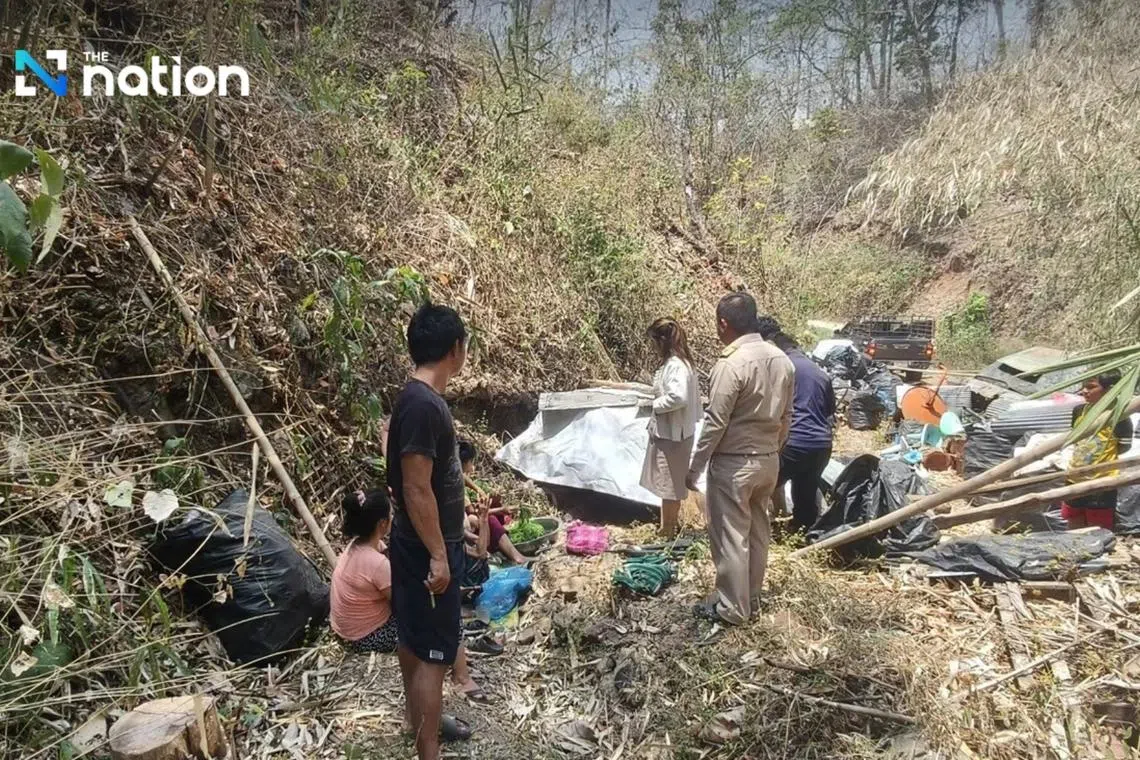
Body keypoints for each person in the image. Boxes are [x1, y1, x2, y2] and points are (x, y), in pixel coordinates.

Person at [386, 302, 472, 759]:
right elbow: (416, 487)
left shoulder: (416, 398)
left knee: (414, 641)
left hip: (415, 541)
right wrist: (439, 554)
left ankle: (417, 722)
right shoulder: (423, 405)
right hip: (427, 548)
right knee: (435, 656)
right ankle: (429, 749)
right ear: (455, 349)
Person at [686, 293, 794, 625]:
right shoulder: (782, 360)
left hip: (735, 464)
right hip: (768, 461)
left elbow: (715, 422)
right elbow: (787, 416)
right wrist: (772, 449)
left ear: (723, 324)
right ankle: (752, 598)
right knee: (758, 532)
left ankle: (732, 609)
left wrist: (694, 468)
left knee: (731, 536)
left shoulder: (731, 364)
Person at [330, 489, 490, 713]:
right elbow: (404, 606)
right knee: (447, 616)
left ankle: (455, 654)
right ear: (382, 524)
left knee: (440, 610)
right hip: (365, 637)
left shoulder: (357, 547)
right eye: (391, 515)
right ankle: (461, 678)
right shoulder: (375, 563)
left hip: (346, 630)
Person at [756, 317, 836, 534]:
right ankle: (804, 534)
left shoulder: (781, 366)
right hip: (821, 445)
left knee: (757, 487)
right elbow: (829, 411)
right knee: (805, 495)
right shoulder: (818, 371)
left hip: (794, 441)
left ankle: (756, 534)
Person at [639, 317, 701, 538]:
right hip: (673, 432)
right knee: (669, 485)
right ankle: (668, 528)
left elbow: (678, 397)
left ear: (661, 341)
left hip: (674, 435)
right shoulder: (679, 364)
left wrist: (653, 405)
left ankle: (668, 531)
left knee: (670, 486)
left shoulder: (676, 365)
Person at [1061, 372, 1133, 530]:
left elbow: (1124, 446)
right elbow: (1076, 439)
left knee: (1098, 526)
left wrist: (1101, 457)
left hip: (1102, 481)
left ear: (1110, 389)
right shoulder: (1079, 411)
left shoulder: (1119, 417)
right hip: (1074, 477)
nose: (1084, 391)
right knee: (1074, 520)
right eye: (1083, 387)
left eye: (1091, 387)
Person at [459, 441, 529, 565]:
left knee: (495, 501)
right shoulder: (456, 486)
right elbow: (472, 511)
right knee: (490, 519)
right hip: (463, 523)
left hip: (465, 517)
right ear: (464, 463)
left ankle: (502, 543)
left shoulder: (456, 473)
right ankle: (516, 557)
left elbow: (463, 476)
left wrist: (477, 489)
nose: (472, 465)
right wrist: (502, 510)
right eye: (471, 462)